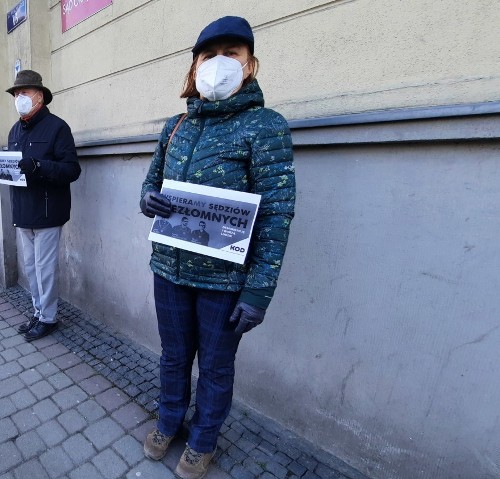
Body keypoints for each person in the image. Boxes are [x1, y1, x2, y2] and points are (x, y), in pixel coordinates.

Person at [139, 16, 295, 479]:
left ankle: (203, 440)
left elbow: (276, 214)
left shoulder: (265, 126)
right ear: (194, 67)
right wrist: (148, 200)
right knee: (172, 356)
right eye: (210, 56)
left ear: (250, 65)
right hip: (169, 269)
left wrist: (258, 292)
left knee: (215, 367)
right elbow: (151, 185)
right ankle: (169, 420)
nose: (219, 64)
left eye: (232, 53)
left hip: (224, 281)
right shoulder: (176, 125)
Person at [0, 69, 81, 342]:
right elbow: (14, 170)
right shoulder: (15, 130)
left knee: (45, 268)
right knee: (31, 267)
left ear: (39, 97)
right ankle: (38, 311)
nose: (18, 98)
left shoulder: (57, 127)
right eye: (16, 94)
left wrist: (39, 166)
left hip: (48, 210)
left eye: (23, 93)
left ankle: (48, 317)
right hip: (23, 210)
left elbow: (71, 170)